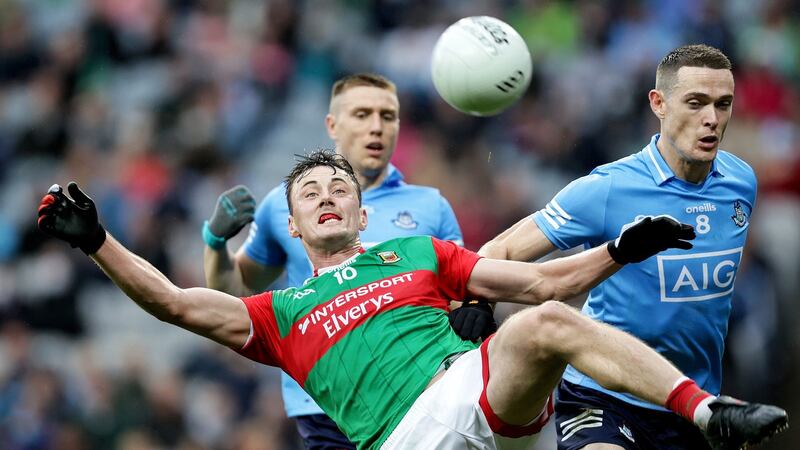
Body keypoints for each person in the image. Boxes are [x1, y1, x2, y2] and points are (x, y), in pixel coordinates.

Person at [38, 150, 787, 450]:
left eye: (341, 189)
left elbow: (543, 283)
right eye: (310, 194)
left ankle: (706, 413)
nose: (328, 197)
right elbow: (174, 302)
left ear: (364, 214)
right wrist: (100, 241)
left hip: (479, 397)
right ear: (292, 225)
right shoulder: (277, 313)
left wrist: (618, 251)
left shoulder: (420, 253)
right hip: (404, 439)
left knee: (550, 323)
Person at [479, 44, 767, 449]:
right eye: (696, 103)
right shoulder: (609, 188)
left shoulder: (741, 182)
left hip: (694, 405)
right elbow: (501, 250)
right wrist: (479, 303)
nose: (711, 119)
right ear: (659, 103)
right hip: (603, 398)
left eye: (723, 105)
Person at [201, 73, 494, 449]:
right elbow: (234, 291)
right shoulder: (285, 203)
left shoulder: (430, 205)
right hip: (325, 404)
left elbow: (469, 282)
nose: (376, 127)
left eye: (388, 117)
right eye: (362, 114)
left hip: (420, 395)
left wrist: (477, 306)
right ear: (332, 125)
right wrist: (215, 241)